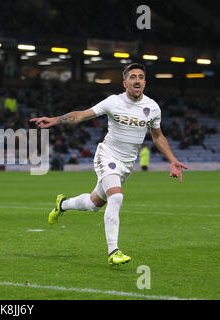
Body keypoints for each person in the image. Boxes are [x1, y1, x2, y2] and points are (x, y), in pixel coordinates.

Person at [30, 63, 188, 266]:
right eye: (132, 77)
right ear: (125, 83)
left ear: (145, 82)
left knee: (94, 204)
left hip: (127, 164)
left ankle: (62, 204)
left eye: (140, 76)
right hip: (107, 156)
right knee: (117, 197)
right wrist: (55, 120)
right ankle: (113, 250)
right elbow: (82, 115)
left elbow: (157, 136)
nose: (137, 80)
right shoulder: (113, 102)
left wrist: (173, 160)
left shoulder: (153, 107)